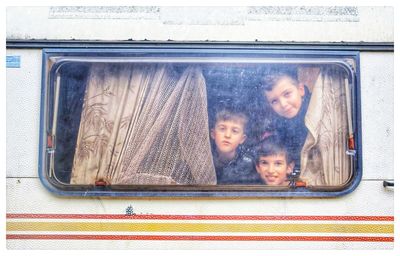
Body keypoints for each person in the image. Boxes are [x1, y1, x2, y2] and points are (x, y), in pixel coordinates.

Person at [259, 66, 311, 171]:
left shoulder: (316, 113)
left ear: (301, 90)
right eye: (274, 101)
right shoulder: (278, 126)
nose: (283, 104)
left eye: (287, 94)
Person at [210, 108, 259, 184]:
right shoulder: (204, 159)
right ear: (213, 134)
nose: (227, 135)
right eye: (222, 129)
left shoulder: (248, 164)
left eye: (235, 131)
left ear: (242, 139)